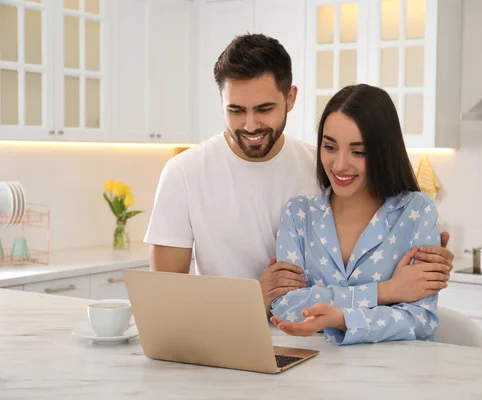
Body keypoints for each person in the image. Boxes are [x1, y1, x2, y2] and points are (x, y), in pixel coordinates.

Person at [144, 33, 454, 312]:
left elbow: (375, 245)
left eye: (264, 109)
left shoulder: (322, 166)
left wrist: (423, 254)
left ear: (291, 98)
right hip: (228, 340)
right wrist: (255, 297)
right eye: (236, 110)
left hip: (319, 341)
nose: (250, 125)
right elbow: (165, 302)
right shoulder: (184, 174)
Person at [270, 84, 441, 345]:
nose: (339, 165)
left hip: (397, 375)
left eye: (358, 152)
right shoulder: (299, 214)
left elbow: (419, 320)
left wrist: (339, 318)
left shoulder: (417, 212)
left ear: (383, 151)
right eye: (330, 147)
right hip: (315, 371)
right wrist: (385, 292)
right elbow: (286, 307)